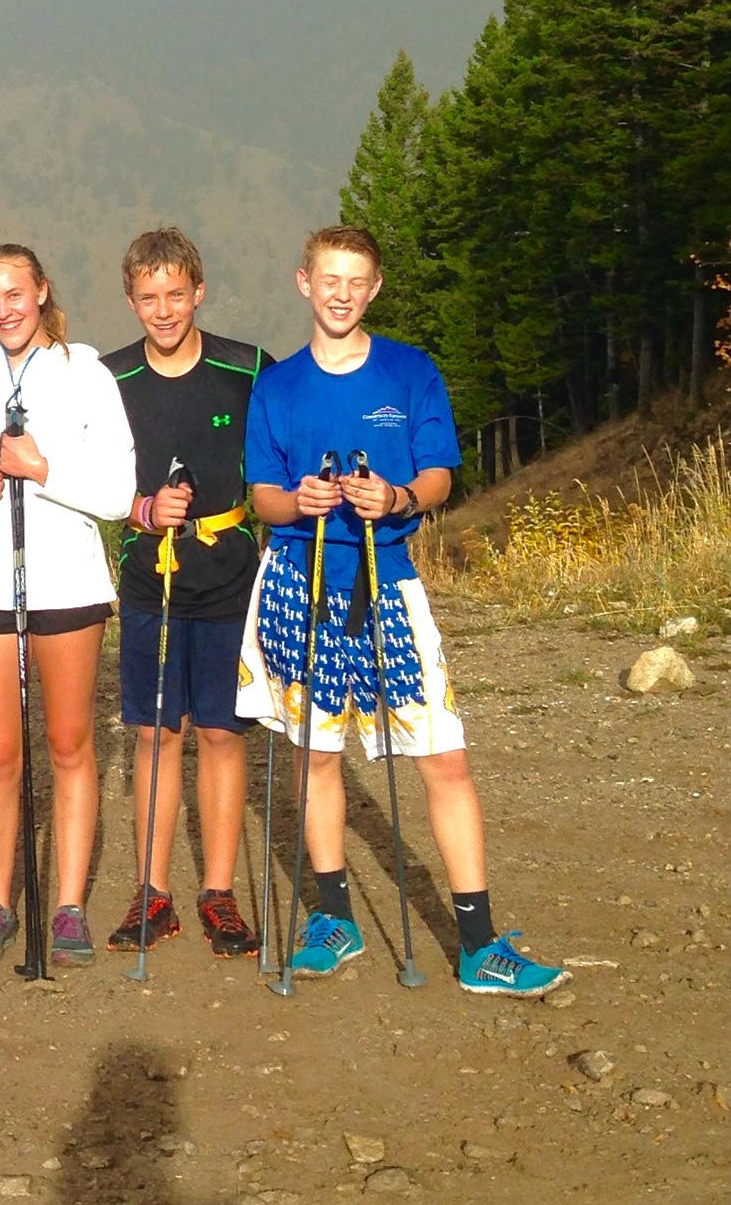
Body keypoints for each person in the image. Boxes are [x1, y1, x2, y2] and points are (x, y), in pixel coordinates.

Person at [239, 225, 569, 996]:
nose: (342, 293)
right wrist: (302, 500)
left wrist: (396, 497)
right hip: (299, 579)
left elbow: (441, 476)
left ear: (375, 287)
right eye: (329, 279)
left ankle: (478, 941)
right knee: (316, 753)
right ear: (304, 282)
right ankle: (333, 916)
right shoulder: (277, 386)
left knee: (443, 757)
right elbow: (262, 495)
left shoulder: (410, 372)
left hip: (388, 582)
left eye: (356, 280)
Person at [0, 243, 135, 969]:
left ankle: (68, 906)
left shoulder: (88, 374)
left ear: (41, 289)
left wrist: (40, 469)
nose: (3, 310)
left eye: (15, 294)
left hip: (69, 583)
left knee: (70, 746)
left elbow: (118, 494)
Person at [100, 230, 268, 958]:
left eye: (175, 294)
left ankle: (220, 893)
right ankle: (152, 890)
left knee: (222, 733)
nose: (163, 311)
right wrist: (141, 510)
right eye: (148, 298)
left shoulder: (248, 368)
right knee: (154, 734)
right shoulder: (109, 380)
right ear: (131, 300)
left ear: (198, 292)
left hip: (231, 572)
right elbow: (92, 473)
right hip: (149, 575)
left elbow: (282, 449)